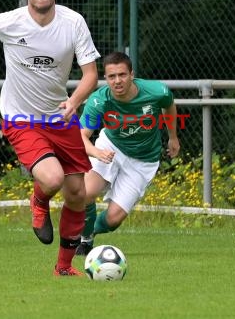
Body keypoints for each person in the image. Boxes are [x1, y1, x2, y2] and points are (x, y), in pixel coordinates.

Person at [0, 0, 100, 276]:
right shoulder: (10, 22)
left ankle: (63, 268)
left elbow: (91, 74)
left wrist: (75, 100)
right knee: (52, 178)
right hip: (20, 118)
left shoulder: (73, 22)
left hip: (60, 117)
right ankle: (38, 202)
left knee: (78, 193)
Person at [75, 51, 180, 256]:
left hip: (143, 160)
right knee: (86, 193)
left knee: (113, 220)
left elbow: (169, 106)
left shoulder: (157, 91)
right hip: (110, 147)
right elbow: (80, 137)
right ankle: (84, 240)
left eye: (122, 75)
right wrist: (96, 152)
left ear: (132, 74)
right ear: (106, 78)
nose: (117, 81)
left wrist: (173, 137)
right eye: (112, 76)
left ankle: (91, 229)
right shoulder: (99, 100)